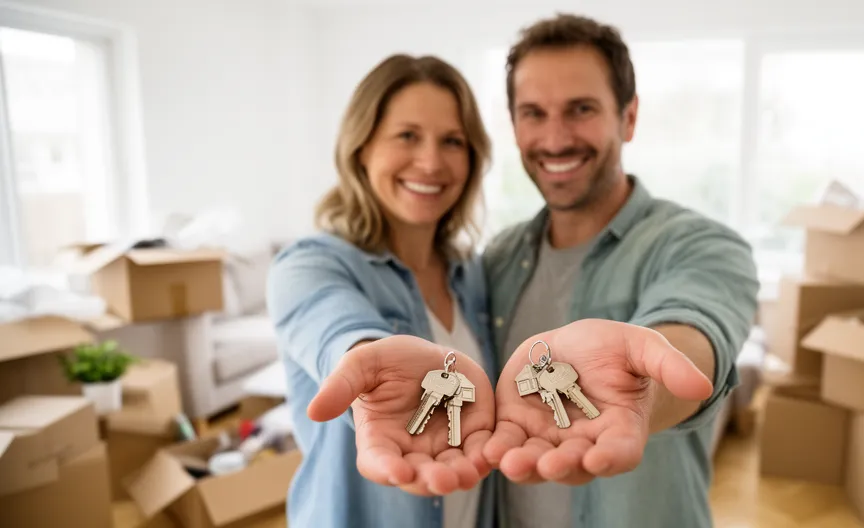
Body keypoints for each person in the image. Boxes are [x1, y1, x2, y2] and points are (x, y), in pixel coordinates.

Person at [479, 14, 759, 528]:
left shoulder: (700, 244)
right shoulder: (497, 258)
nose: (555, 138)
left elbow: (696, 325)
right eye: (533, 113)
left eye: (581, 109)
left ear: (628, 117)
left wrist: (643, 389)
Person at [266, 54, 499, 528]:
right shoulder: (308, 265)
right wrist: (371, 363)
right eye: (407, 136)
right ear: (363, 147)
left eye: (452, 141)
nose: (431, 161)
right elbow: (339, 330)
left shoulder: (471, 274)